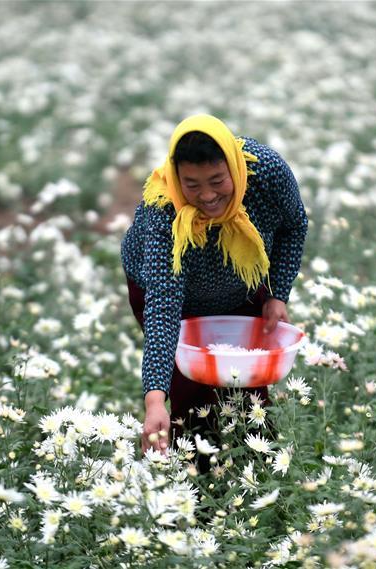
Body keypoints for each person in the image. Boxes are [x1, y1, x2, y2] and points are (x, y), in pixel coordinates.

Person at [121, 114, 308, 454]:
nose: (207, 196)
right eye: (191, 185)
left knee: (249, 390)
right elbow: (164, 308)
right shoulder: (163, 212)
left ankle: (256, 472)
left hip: (243, 276)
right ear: (177, 178)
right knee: (191, 396)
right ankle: (199, 485)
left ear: (234, 168)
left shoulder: (265, 172)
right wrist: (154, 401)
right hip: (173, 298)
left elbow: (294, 224)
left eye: (218, 180)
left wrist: (277, 294)